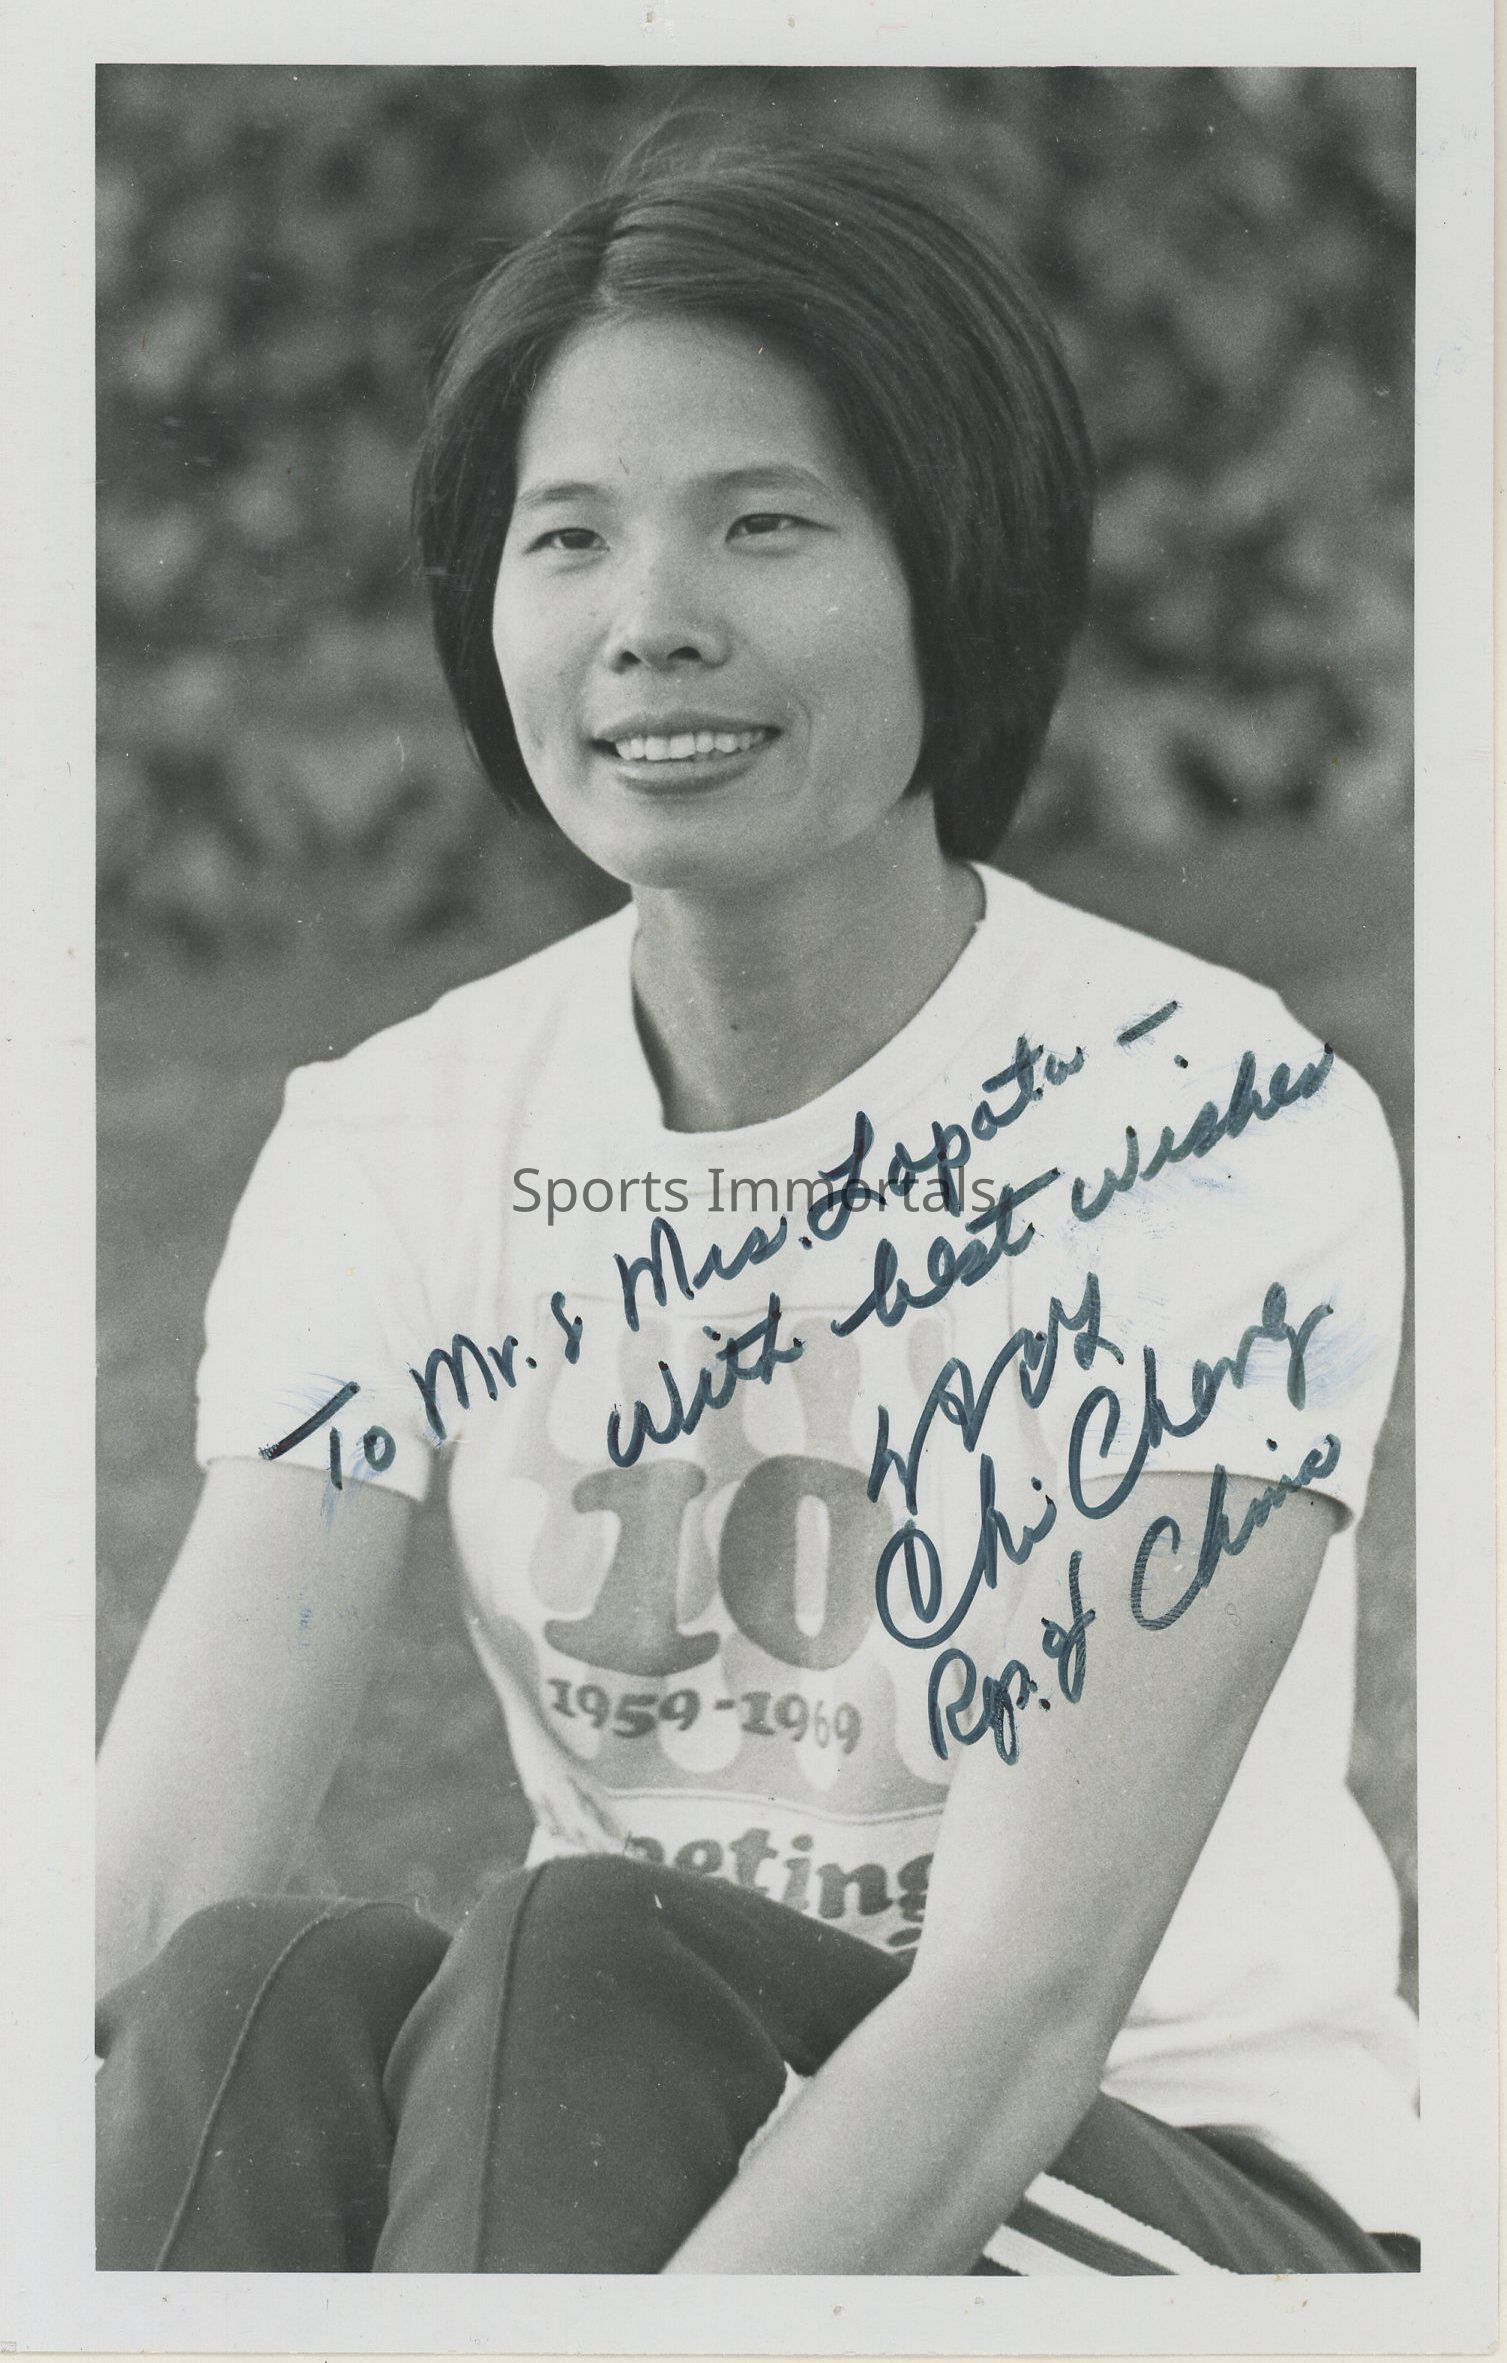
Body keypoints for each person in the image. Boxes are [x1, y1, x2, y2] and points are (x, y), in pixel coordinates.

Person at [95, 134, 1418, 2276]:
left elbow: (1016, 2014)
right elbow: (152, 1902)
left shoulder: (1204, 1126)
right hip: (626, 2151)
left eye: (764, 524)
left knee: (588, 1958)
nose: (652, 625)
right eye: (569, 537)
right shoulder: (402, 1134)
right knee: (258, 1990)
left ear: (957, 568)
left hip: (1160, 2195)